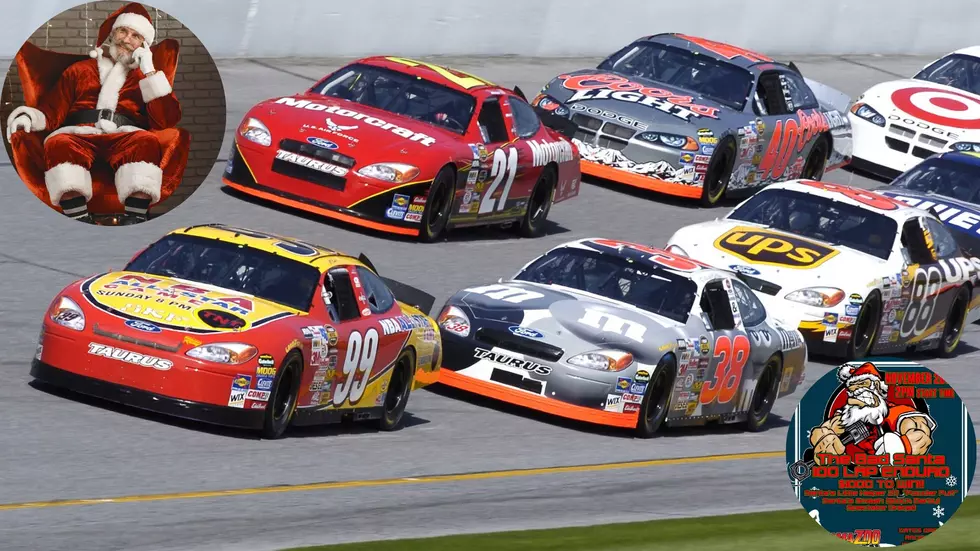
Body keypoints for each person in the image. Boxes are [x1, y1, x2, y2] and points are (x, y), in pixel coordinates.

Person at [5, 3, 181, 224]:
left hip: (124, 134)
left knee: (145, 141)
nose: (127, 39)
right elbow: (52, 112)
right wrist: (28, 117)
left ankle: (134, 218)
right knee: (58, 143)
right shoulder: (80, 70)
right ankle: (78, 217)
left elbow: (166, 120)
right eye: (123, 31)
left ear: (143, 45)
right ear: (113, 33)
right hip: (80, 133)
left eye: (135, 36)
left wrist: (149, 70)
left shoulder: (146, 77)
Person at [809, 362, 936, 464]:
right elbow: (821, 430)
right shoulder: (846, 418)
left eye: (863, 384)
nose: (858, 390)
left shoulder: (898, 413)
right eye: (853, 387)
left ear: (877, 387)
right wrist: (825, 442)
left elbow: (921, 435)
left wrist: (900, 446)